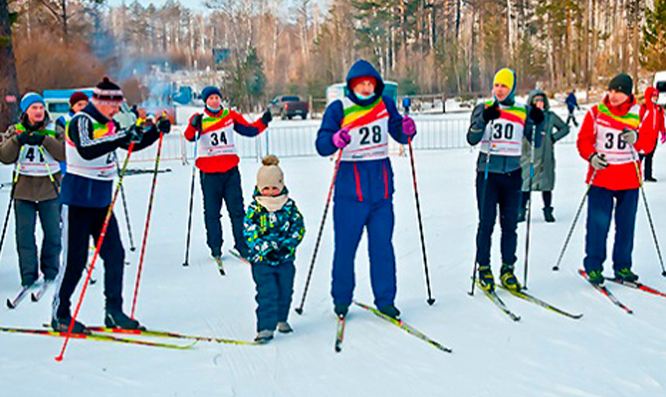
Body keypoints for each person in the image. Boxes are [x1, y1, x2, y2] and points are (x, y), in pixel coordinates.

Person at [51, 77, 171, 332]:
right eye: (114, 104)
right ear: (101, 101)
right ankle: (60, 314)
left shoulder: (110, 124)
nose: (117, 110)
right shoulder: (81, 120)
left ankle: (114, 312)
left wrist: (154, 131)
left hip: (102, 201)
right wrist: (120, 138)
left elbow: (130, 144)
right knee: (75, 260)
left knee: (115, 255)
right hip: (78, 201)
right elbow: (86, 149)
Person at [315, 59, 417, 320]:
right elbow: (322, 144)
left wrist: (407, 130)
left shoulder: (385, 104)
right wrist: (335, 139)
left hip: (381, 192)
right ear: (352, 85)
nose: (365, 87)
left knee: (382, 248)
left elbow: (399, 133)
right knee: (345, 249)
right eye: (360, 83)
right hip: (350, 191)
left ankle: (385, 300)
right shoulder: (339, 108)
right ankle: (341, 299)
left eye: (370, 82)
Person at [467, 68, 543, 292]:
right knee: (486, 223)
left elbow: (536, 142)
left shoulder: (522, 110)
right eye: (497, 85)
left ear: (512, 89)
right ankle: (484, 268)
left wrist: (540, 121)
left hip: (513, 174)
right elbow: (471, 138)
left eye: (504, 86)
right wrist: (483, 120)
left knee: (510, 225)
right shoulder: (483, 108)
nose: (499, 90)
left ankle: (508, 269)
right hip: (488, 174)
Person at [577, 73, 657, 285]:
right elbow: (584, 140)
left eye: (619, 91)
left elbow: (649, 143)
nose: (613, 95)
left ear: (628, 93)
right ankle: (593, 266)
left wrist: (637, 138)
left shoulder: (639, 112)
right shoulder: (596, 112)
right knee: (597, 225)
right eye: (611, 90)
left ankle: (622, 266)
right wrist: (591, 156)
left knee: (626, 226)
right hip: (602, 178)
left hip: (629, 179)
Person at [184, 87, 272, 266]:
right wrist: (192, 125)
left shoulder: (230, 116)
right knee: (212, 212)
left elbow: (249, 130)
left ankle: (242, 244)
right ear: (205, 101)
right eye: (211, 99)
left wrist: (263, 121)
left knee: (237, 210)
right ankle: (215, 246)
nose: (214, 101)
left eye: (217, 97)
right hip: (209, 173)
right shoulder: (200, 119)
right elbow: (189, 137)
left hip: (230, 171)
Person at [0, 93, 65, 287]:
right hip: (23, 190)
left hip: (49, 188)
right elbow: (4, 156)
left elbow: (63, 154)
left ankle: (51, 270)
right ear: (25, 110)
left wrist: (44, 140)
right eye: (33, 108)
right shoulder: (15, 130)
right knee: (24, 235)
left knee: (53, 233)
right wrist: (17, 141)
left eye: (40, 107)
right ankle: (28, 274)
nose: (38, 111)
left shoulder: (54, 129)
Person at [244, 155, 305, 343]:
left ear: (281, 185)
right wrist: (265, 249)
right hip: (262, 261)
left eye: (274, 187)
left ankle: (281, 318)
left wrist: (287, 247)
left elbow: (298, 227)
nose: (270, 192)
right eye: (266, 188)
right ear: (260, 187)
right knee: (267, 291)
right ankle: (265, 327)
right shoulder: (255, 208)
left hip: (285, 259)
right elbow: (249, 231)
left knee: (285, 289)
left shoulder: (289, 206)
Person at [518, 90, 570, 223]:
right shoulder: (526, 116)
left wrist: (553, 138)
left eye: (541, 101)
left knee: (546, 185)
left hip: (546, 156)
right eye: (536, 101)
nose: (539, 103)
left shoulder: (550, 116)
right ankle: (521, 211)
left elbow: (564, 128)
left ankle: (548, 210)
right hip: (529, 155)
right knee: (525, 185)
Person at [55, 91, 89, 175]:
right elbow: (59, 142)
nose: (83, 108)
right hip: (68, 161)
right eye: (79, 105)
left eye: (85, 105)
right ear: (72, 106)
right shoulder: (63, 120)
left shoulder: (91, 120)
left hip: (87, 162)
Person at [639, 86, 665, 182]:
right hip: (644, 136)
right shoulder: (645, 107)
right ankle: (634, 175)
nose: (655, 98)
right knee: (640, 156)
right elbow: (638, 120)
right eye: (653, 96)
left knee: (650, 156)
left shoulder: (658, 109)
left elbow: (661, 122)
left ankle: (648, 175)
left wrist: (663, 132)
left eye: (656, 96)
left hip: (653, 137)